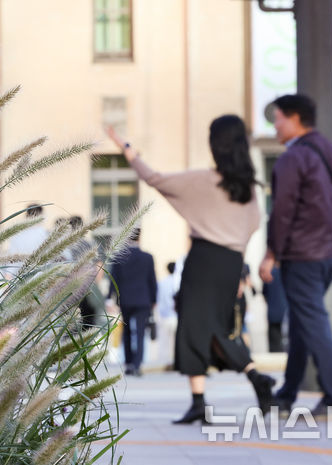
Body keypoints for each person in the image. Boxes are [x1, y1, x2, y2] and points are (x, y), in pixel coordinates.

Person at [107, 115, 275, 424]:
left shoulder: (205, 180)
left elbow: (154, 178)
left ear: (215, 144)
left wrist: (128, 150)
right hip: (231, 263)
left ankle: (251, 379)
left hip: (204, 260)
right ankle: (203, 400)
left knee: (197, 328)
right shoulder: (247, 188)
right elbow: (252, 225)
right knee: (206, 329)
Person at [259, 94, 332, 417]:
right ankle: (288, 394)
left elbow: (283, 211)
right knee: (303, 322)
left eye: (277, 119)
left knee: (313, 322)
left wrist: (271, 253)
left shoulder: (293, 158)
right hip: (329, 253)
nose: (274, 126)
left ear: (294, 118)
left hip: (302, 255)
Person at [107, 230, 157, 376]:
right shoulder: (148, 257)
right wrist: (154, 299)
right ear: (140, 237)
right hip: (143, 299)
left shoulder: (119, 257)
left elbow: (113, 279)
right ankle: (137, 364)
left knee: (127, 331)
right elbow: (152, 280)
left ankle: (128, 363)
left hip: (126, 299)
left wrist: (110, 297)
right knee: (141, 332)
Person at [156, 261, 179, 368]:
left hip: (165, 315)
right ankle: (176, 361)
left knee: (164, 341)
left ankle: (165, 362)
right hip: (176, 316)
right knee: (176, 341)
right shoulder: (178, 282)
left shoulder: (162, 282)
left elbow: (159, 299)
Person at [263, 267, 289, 352]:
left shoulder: (269, 273)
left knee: (274, 345)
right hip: (286, 312)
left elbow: (265, 293)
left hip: (273, 312)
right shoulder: (288, 272)